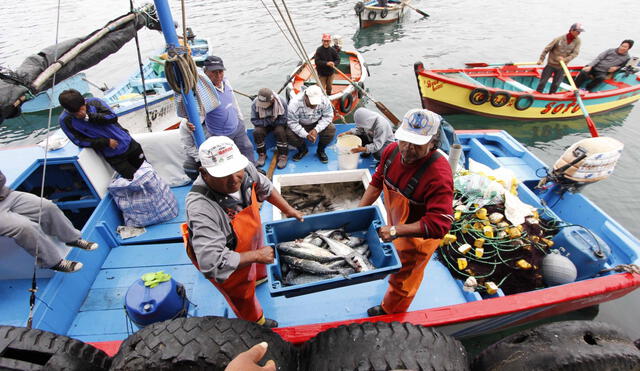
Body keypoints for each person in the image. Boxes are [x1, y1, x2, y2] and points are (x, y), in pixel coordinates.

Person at [184, 136, 303, 328]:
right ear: (204, 173)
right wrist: (256, 255)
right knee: (242, 296)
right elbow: (212, 264)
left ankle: (258, 278)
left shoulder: (244, 168)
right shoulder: (201, 208)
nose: (233, 180)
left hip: (252, 240)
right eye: (223, 175)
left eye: (235, 170)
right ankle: (256, 323)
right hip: (226, 256)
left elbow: (266, 187)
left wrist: (288, 209)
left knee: (259, 265)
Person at [358, 109, 454, 316]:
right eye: (404, 140)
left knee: (405, 277)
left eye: (417, 144)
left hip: (417, 239)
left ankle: (390, 311)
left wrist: (396, 231)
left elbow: (441, 224)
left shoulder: (439, 174)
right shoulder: (391, 151)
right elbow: (376, 183)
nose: (408, 149)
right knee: (394, 263)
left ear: (432, 143)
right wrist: (358, 212)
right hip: (395, 225)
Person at [0, 170, 98, 273]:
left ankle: (72, 239)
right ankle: (54, 262)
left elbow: (1, 178)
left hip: (5, 195)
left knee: (47, 206)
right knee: (25, 227)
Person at [176, 55, 255, 164]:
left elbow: (234, 103)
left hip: (237, 126)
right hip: (219, 133)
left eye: (220, 71)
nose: (218, 75)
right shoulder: (202, 92)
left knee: (247, 147)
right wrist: (189, 123)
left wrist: (240, 119)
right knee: (227, 157)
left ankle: (252, 169)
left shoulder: (226, 82)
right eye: (214, 72)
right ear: (205, 72)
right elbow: (195, 113)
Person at [58, 89, 146, 180]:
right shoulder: (65, 120)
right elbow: (79, 141)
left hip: (128, 143)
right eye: (75, 113)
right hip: (113, 156)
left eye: (81, 109)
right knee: (134, 179)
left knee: (146, 169)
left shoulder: (95, 102)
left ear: (84, 102)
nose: (80, 113)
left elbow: (112, 117)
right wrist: (105, 142)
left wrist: (89, 117)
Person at [286, 85, 336, 164]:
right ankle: (302, 149)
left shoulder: (324, 100)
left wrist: (316, 129)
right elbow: (292, 122)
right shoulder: (294, 104)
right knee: (288, 133)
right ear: (305, 96)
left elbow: (328, 116)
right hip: (301, 124)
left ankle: (321, 150)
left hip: (317, 122)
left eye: (316, 103)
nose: (314, 106)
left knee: (331, 129)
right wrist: (305, 134)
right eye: (312, 102)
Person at [536, 23, 584, 94]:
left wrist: (565, 59)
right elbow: (547, 49)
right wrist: (541, 59)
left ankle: (551, 96)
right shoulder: (559, 39)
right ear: (572, 30)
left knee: (556, 84)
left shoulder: (578, 41)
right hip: (551, 64)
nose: (579, 33)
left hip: (562, 67)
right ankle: (538, 95)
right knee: (542, 82)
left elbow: (575, 53)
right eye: (578, 31)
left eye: (580, 32)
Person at [251, 88, 289, 169]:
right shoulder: (255, 103)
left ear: (272, 100)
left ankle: (283, 155)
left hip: (278, 123)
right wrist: (269, 120)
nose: (263, 107)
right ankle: (262, 154)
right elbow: (254, 120)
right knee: (257, 132)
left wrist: (274, 121)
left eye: (265, 104)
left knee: (280, 131)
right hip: (264, 124)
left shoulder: (282, 102)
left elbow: (284, 120)